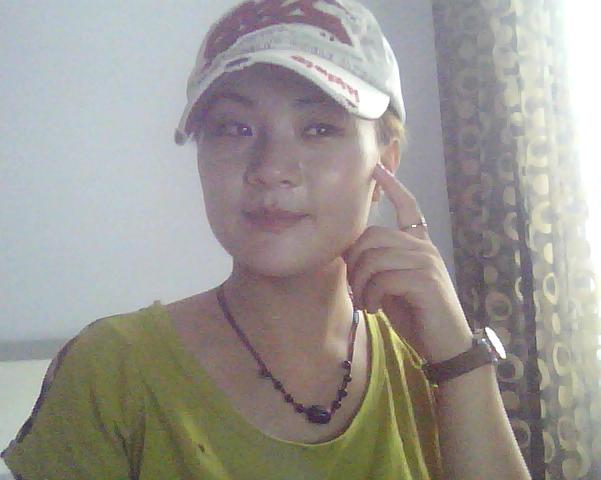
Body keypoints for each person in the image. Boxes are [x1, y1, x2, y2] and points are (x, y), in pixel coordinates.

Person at [1, 1, 531, 479]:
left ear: (384, 164)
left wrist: (460, 363)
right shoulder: (111, 371)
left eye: (319, 128)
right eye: (234, 128)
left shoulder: (428, 361)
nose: (272, 168)